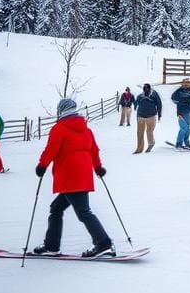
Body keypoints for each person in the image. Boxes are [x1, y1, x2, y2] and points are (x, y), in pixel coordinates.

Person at [32, 98, 114, 258]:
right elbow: (94, 151)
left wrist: (42, 165)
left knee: (83, 212)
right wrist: (98, 168)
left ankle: (104, 244)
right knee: (56, 208)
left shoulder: (59, 128)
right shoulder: (86, 130)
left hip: (69, 175)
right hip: (82, 175)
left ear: (61, 111)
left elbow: (51, 150)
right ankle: (51, 245)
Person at [133, 83, 162, 154]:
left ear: (150, 88)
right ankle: (139, 149)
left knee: (149, 132)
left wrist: (159, 115)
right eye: (144, 88)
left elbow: (159, 104)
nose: (146, 89)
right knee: (139, 133)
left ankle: (151, 144)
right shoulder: (140, 96)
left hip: (151, 117)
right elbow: (136, 105)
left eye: (147, 87)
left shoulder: (154, 94)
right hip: (141, 117)